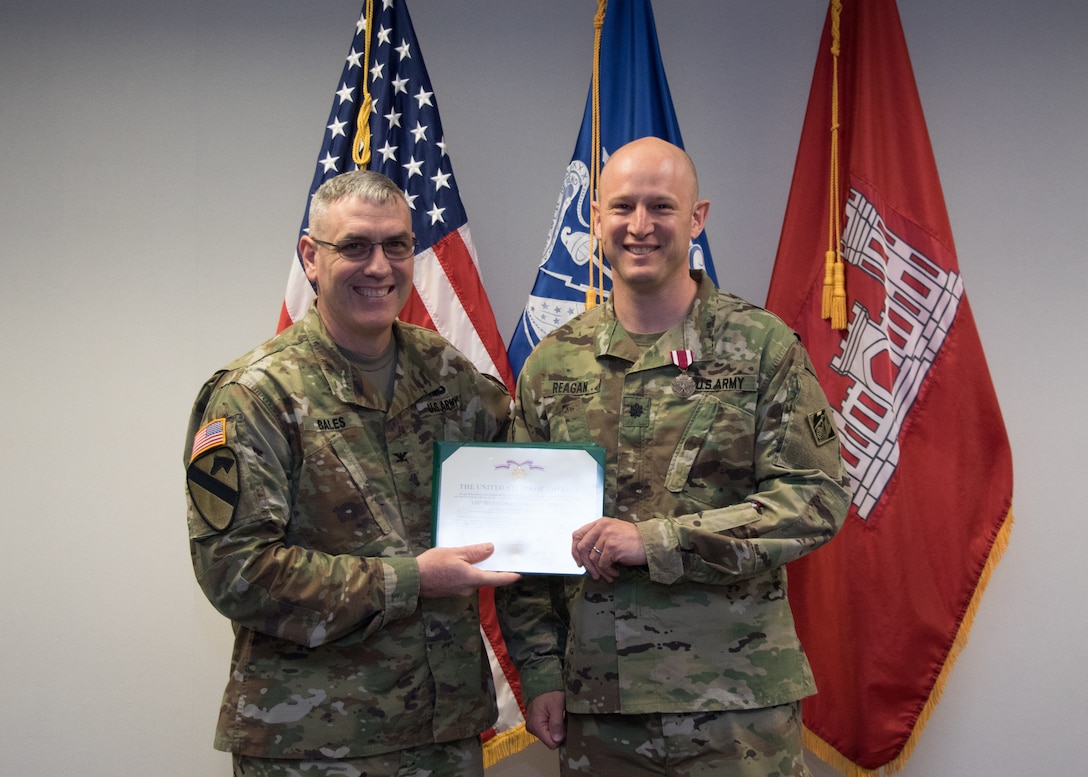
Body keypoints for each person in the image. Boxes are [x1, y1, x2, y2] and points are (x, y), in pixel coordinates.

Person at [496, 137, 851, 777]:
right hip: (600, 705)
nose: (640, 227)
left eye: (661, 207)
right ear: (596, 217)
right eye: (622, 207)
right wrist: (542, 671)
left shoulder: (762, 347)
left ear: (697, 217)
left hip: (737, 705)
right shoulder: (554, 364)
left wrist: (659, 540)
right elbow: (525, 541)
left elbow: (814, 500)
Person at [183, 170, 519, 777]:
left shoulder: (445, 371)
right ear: (311, 257)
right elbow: (236, 571)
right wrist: (411, 580)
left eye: (396, 246)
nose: (380, 266)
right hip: (313, 743)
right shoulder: (255, 396)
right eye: (355, 246)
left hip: (446, 733)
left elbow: (525, 464)